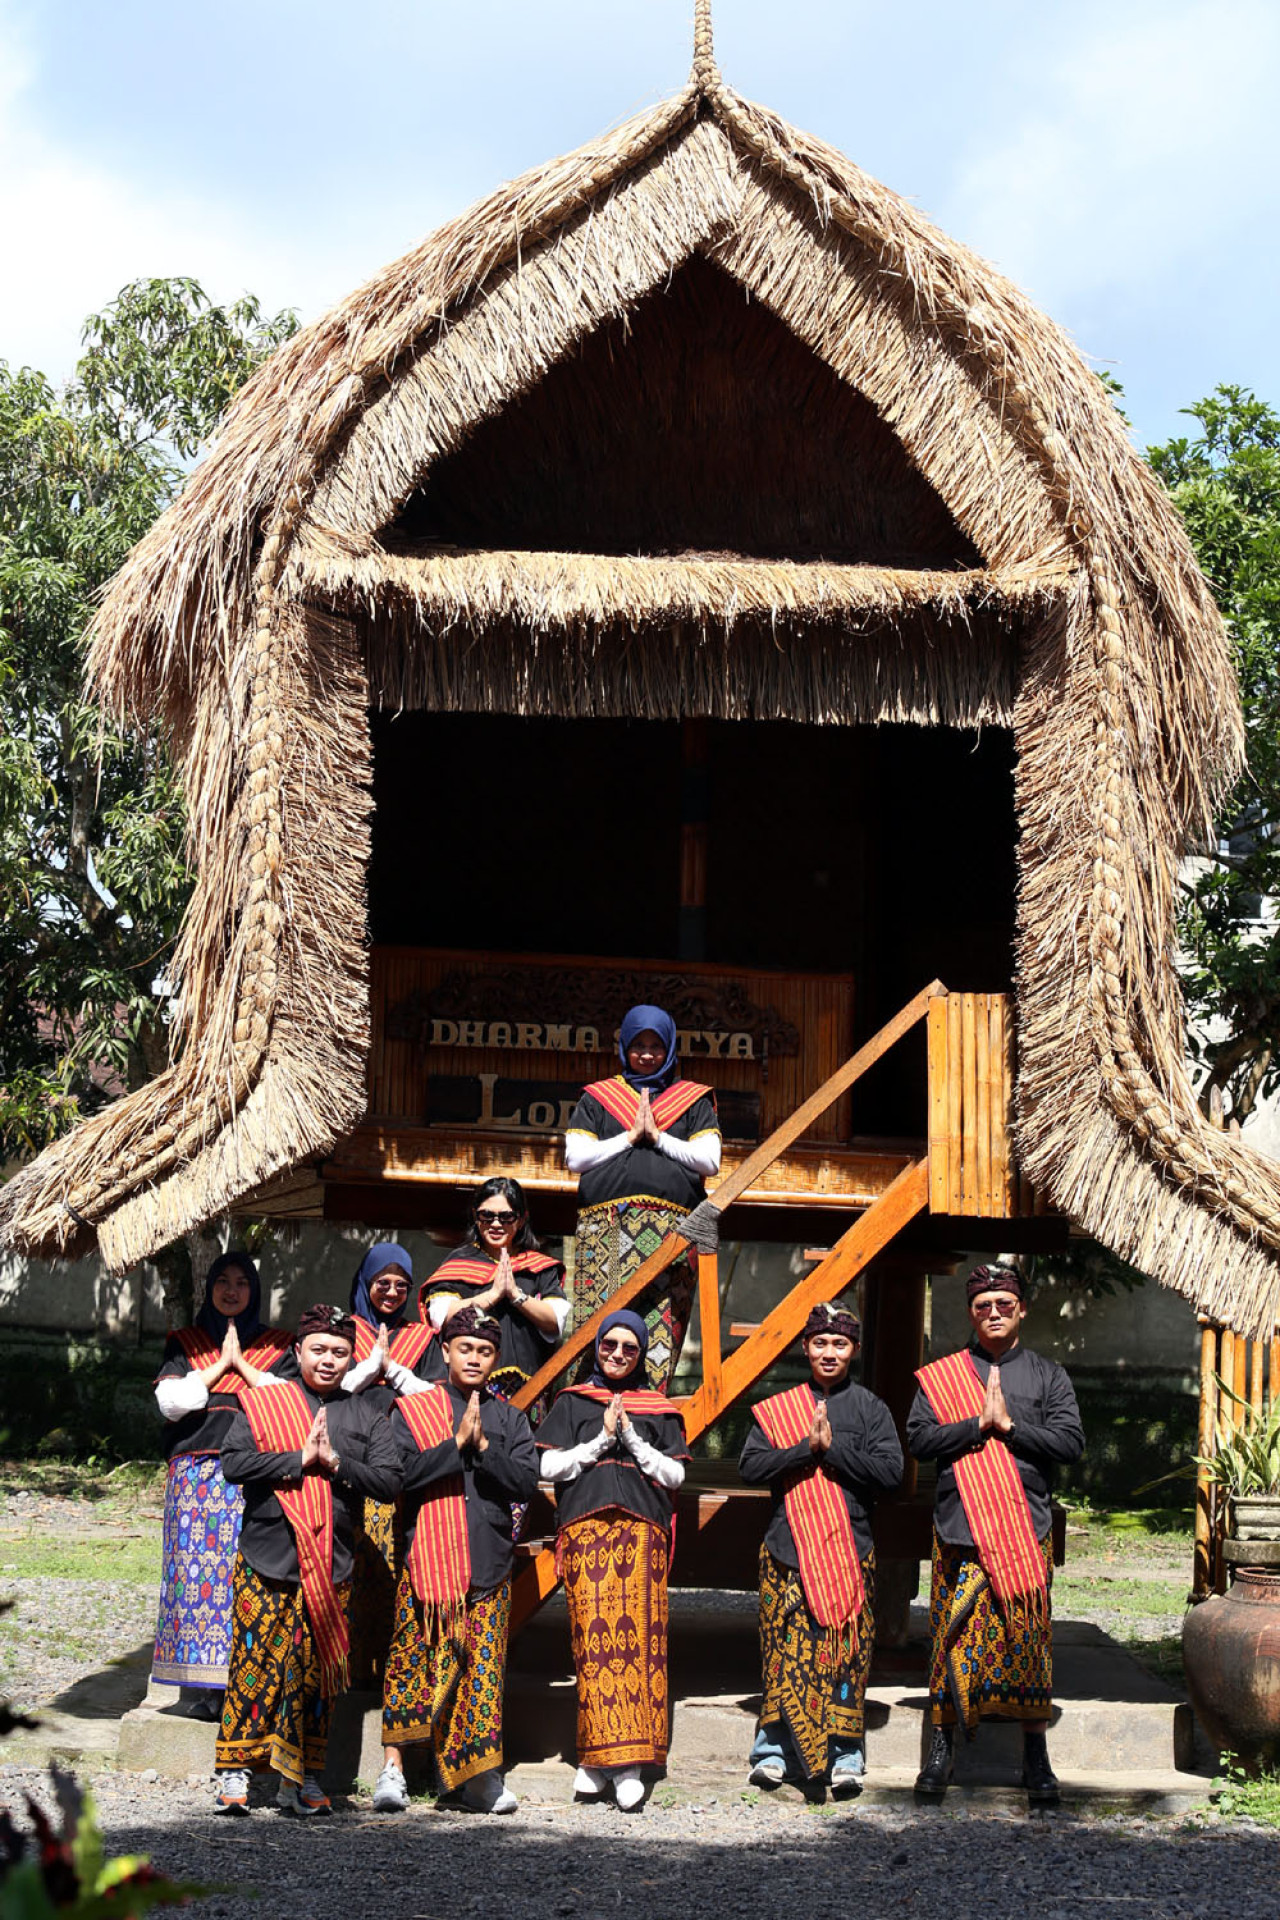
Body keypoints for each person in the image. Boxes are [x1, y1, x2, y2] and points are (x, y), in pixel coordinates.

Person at [213, 1303, 401, 1816]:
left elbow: (388, 1482)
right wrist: (299, 1460)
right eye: (318, 1350)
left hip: (332, 1564)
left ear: (350, 1360)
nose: (327, 1360)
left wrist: (336, 1463)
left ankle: (304, 1775)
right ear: (299, 1352)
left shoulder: (365, 1414)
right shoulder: (267, 1402)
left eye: (339, 1353)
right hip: (267, 1555)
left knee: (316, 1674)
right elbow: (233, 1463)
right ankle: (234, 1772)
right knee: (254, 1664)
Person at [907, 1264, 1084, 1805]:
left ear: (1022, 1309)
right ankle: (941, 1751)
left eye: (1004, 1304)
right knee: (951, 1641)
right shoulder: (941, 1376)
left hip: (1023, 1527)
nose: (994, 1313)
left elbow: (1071, 1443)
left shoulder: (1049, 1376)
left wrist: (1012, 1427)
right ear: (971, 1312)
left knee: (1026, 1642)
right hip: (959, 1526)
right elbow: (918, 1439)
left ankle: (1035, 1759)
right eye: (983, 1305)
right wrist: (976, 1426)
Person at [374, 1305, 539, 1817]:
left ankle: (479, 1777)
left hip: (487, 1562)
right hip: (426, 1562)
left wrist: (485, 1447)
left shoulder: (510, 1418)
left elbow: (525, 1482)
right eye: (464, 1348)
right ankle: (394, 1770)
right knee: (409, 1664)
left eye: (485, 1351)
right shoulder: (411, 1411)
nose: (474, 1358)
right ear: (444, 1350)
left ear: (495, 1359)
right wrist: (455, 1446)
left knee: (482, 1673)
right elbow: (399, 1477)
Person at [738, 1302, 903, 1797]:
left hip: (849, 1550)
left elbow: (891, 1475)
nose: (829, 1353)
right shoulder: (779, 1406)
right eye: (820, 1343)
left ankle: (844, 1753)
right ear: (805, 1346)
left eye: (840, 1344)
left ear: (853, 1349)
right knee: (784, 1654)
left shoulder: (871, 1409)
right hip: (786, 1548)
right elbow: (751, 1468)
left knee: (843, 1656)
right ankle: (773, 1750)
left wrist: (833, 1450)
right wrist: (803, 1450)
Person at [535, 1309, 689, 1811]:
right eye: (609, 1346)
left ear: (642, 1353)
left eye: (629, 1347)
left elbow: (675, 1477)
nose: (618, 1354)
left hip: (640, 1536)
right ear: (596, 1347)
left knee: (640, 1646)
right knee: (592, 1645)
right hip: (586, 1532)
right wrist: (601, 1440)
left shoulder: (658, 1407)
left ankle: (630, 1765)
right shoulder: (573, 1401)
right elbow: (547, 1464)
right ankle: (593, 1762)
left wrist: (633, 1440)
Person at [151, 1252, 293, 1718]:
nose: (231, 1291)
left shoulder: (277, 1345)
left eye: (242, 1283)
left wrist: (242, 1366)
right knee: (198, 1582)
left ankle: (242, 1684)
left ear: (254, 1291)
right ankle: (202, 1689)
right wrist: (219, 1366)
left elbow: (285, 1402)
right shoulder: (185, 1342)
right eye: (222, 1282)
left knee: (243, 1578)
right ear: (209, 1287)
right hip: (195, 1481)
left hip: (250, 1476)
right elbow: (173, 1403)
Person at [564, 1004, 721, 1390]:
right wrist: (630, 1137)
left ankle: (649, 1411)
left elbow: (710, 1161)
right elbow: (576, 1158)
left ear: (669, 1049)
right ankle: (586, 1403)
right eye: (638, 1045)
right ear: (624, 1047)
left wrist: (659, 1138)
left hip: (672, 1237)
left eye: (655, 1045)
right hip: (605, 1232)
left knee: (660, 1325)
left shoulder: (694, 1100)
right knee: (598, 1328)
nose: (647, 1054)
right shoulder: (598, 1098)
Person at [341, 1243, 442, 1687]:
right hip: (349, 1459)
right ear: (366, 1281)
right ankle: (348, 1668)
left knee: (397, 1566)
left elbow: (435, 1395)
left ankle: (392, 1671)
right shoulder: (342, 1331)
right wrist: (370, 1367)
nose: (392, 1292)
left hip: (403, 1462)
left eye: (402, 1286)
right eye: (383, 1283)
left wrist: (392, 1368)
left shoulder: (423, 1339)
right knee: (350, 1562)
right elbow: (326, 1384)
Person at [417, 1181, 566, 1402]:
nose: (496, 1224)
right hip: (470, 1387)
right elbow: (441, 1317)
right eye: (487, 1216)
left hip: (529, 1386)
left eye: (506, 1217)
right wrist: (492, 1296)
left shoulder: (538, 1268)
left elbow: (555, 1321)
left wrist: (516, 1295)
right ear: (476, 1217)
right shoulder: (459, 1263)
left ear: (522, 1219)